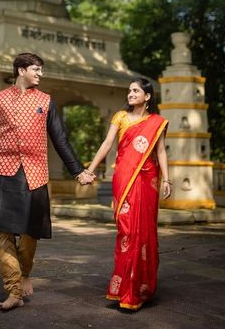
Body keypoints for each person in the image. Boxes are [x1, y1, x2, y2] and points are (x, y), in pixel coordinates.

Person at [0, 52, 94, 311]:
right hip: (2, 173)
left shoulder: (46, 101)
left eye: (41, 70)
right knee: (3, 234)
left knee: (29, 233)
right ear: (21, 70)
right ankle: (13, 291)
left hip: (34, 174)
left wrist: (78, 171)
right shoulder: (0, 99)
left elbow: (60, 139)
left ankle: (25, 272)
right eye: (36, 69)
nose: (40, 74)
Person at [86, 78, 171, 311]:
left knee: (143, 234)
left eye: (136, 91)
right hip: (124, 176)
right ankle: (122, 288)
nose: (131, 94)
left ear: (147, 96)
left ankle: (139, 290)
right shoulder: (120, 117)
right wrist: (90, 170)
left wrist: (167, 179)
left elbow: (160, 151)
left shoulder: (157, 123)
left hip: (148, 180)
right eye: (129, 91)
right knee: (127, 230)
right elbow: (107, 144)